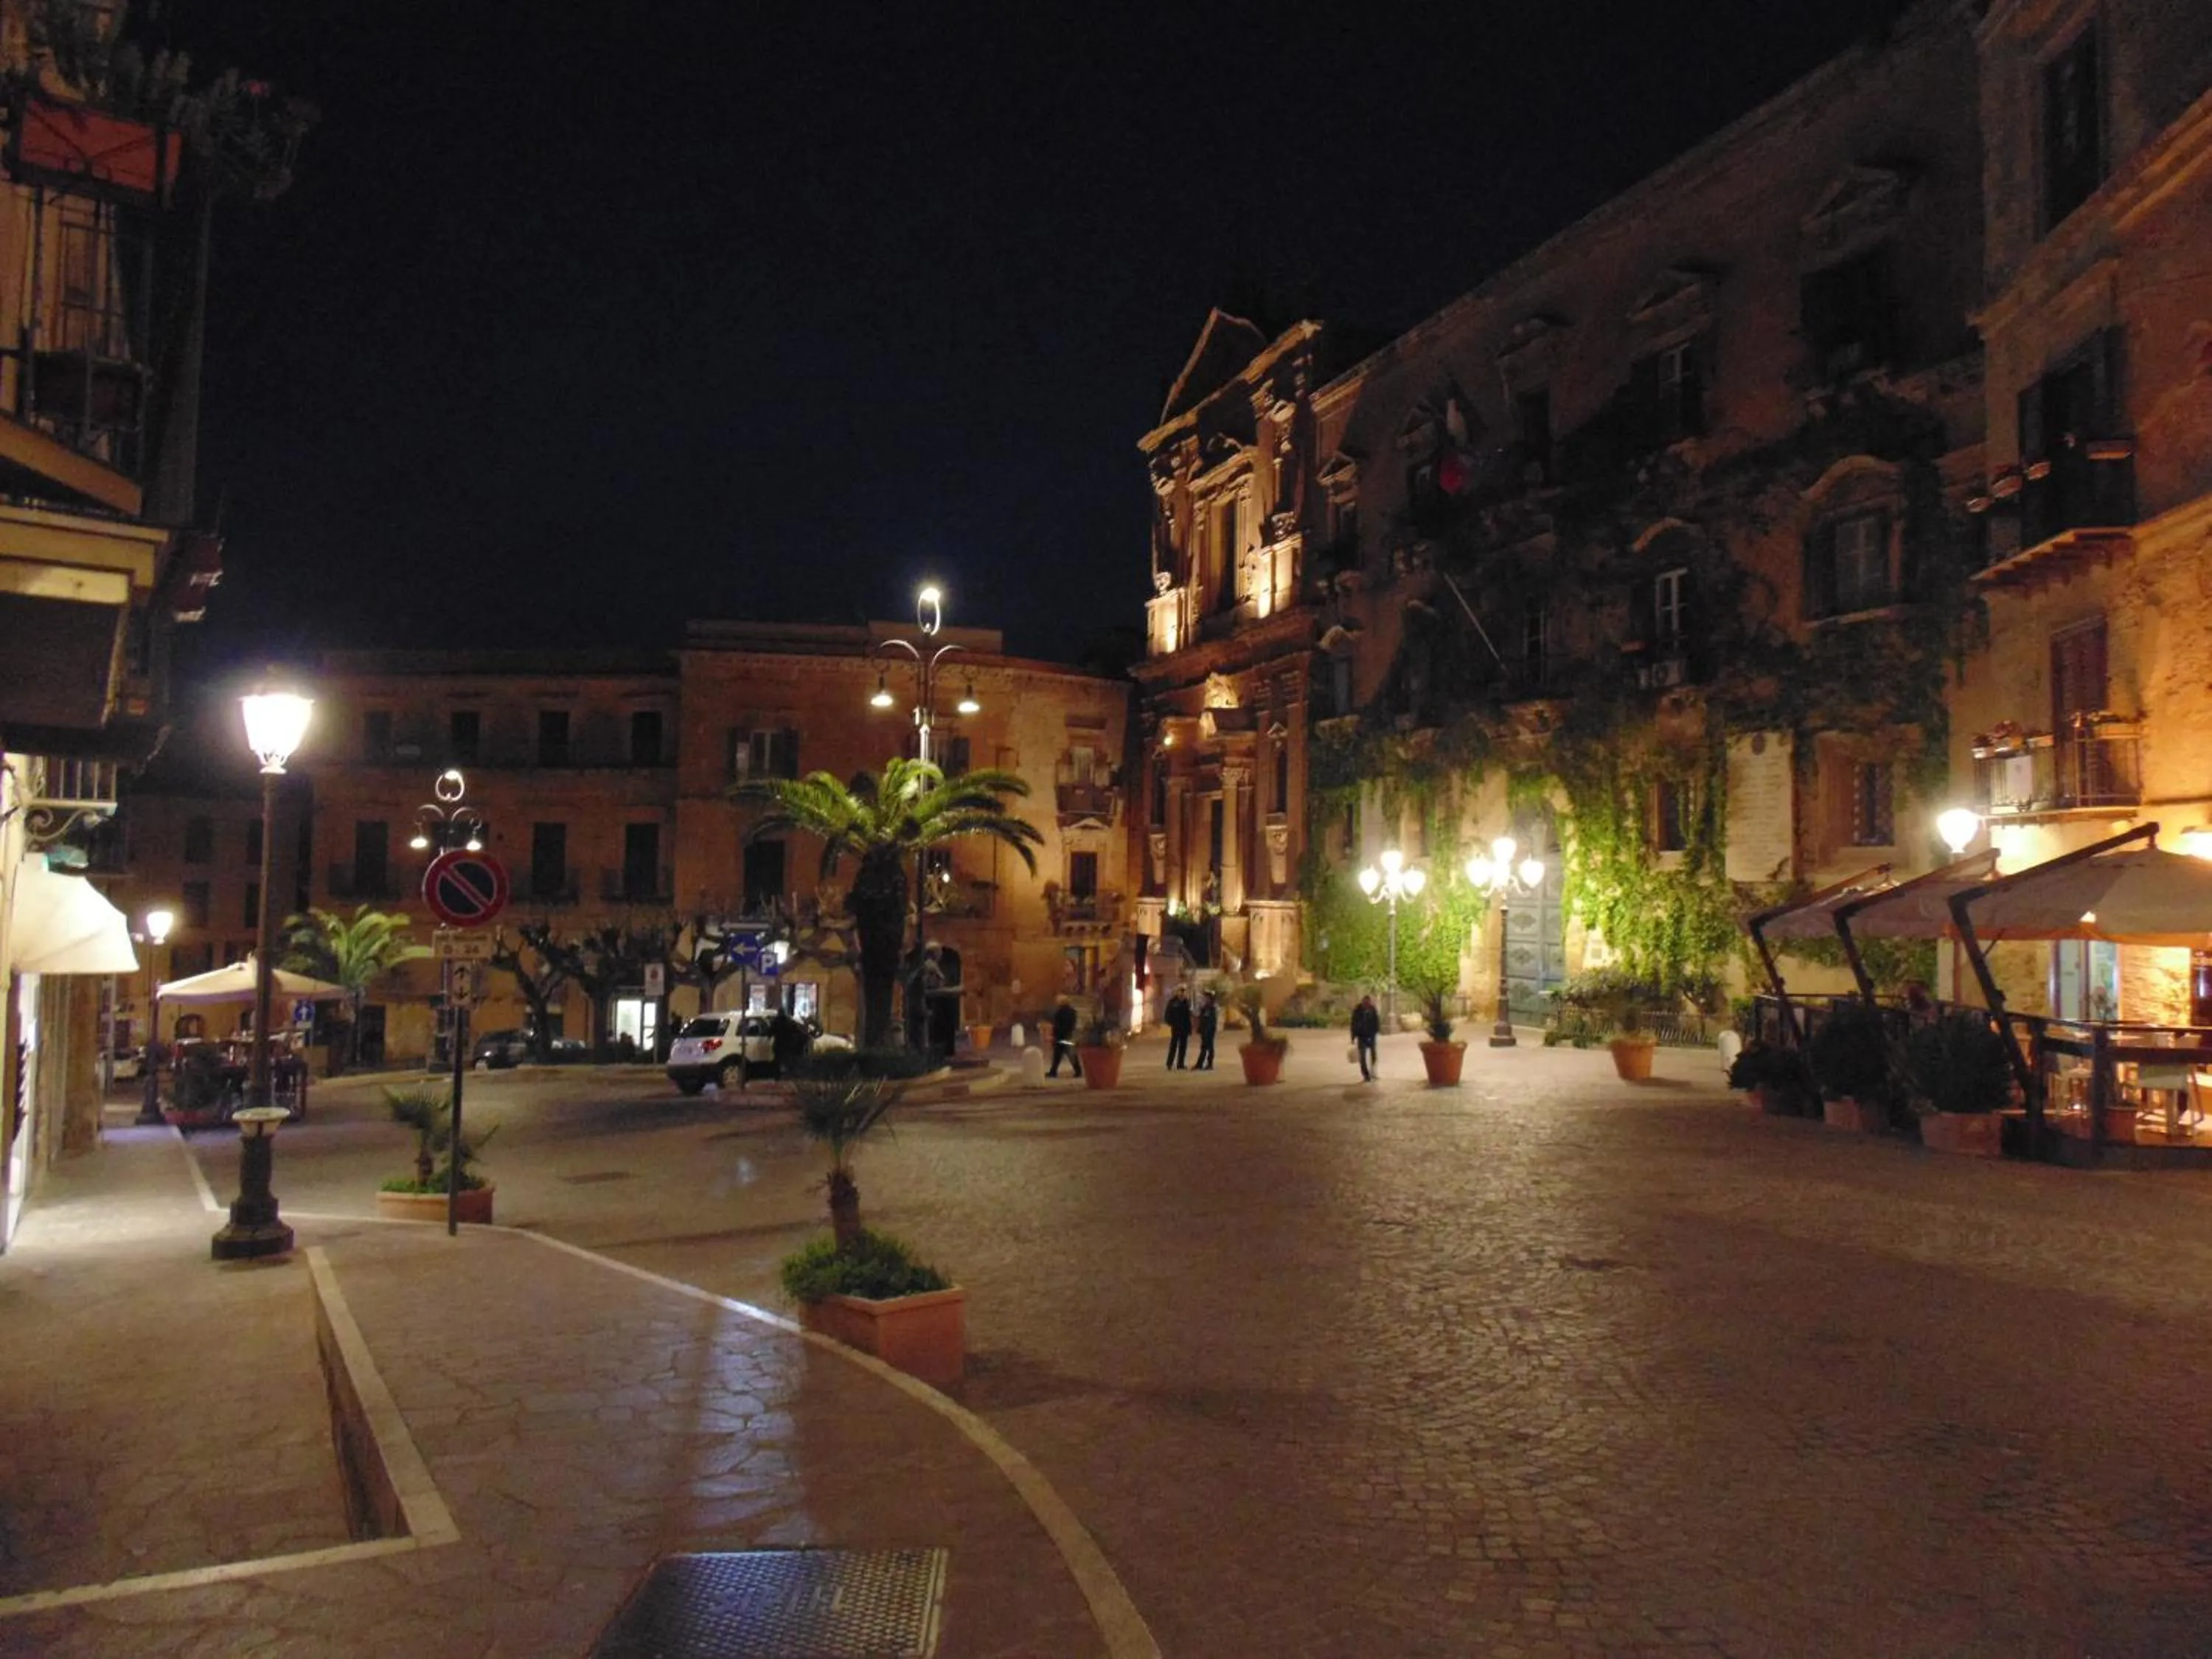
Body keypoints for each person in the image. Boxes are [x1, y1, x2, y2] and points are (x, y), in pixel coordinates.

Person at [1047, 998, 1083, 1079]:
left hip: (1060, 1036)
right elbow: (1073, 1024)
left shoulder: (1059, 1012)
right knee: (1071, 1055)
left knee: (1058, 1055)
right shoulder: (1072, 1012)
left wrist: (1054, 1036)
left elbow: (1057, 1025)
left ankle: (1053, 1072)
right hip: (1068, 1036)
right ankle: (1078, 1071)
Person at [1351, 994, 1382, 1082]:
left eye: (1368, 1003)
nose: (1367, 1005)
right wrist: (1353, 1036)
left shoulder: (1372, 1009)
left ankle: (1373, 1071)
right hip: (1362, 1036)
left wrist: (1376, 1031)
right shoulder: (1358, 1010)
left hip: (1371, 1035)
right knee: (1362, 1057)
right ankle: (1366, 1075)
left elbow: (1376, 1021)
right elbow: (1353, 1023)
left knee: (1374, 1054)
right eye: (1365, 1003)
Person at [1164, 987, 1192, 1069]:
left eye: (1183, 992)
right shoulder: (1173, 1002)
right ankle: (1169, 1063)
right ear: (1177, 992)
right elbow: (1168, 1013)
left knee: (1183, 1046)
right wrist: (1171, 1023)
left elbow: (1188, 1017)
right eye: (1181, 991)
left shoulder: (1186, 1002)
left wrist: (1189, 1028)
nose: (1182, 993)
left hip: (1184, 1028)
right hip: (1176, 1027)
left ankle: (1180, 1064)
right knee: (1173, 1045)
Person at [1194, 990, 1219, 1071]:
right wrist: (1200, 1029)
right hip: (1204, 1031)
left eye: (1206, 997)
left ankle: (1209, 1064)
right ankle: (1200, 1064)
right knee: (1204, 1047)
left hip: (1209, 1031)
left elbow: (1212, 1021)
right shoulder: (1204, 1008)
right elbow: (1201, 1019)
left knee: (1209, 1047)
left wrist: (1207, 1031)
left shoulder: (1212, 1008)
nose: (1205, 999)